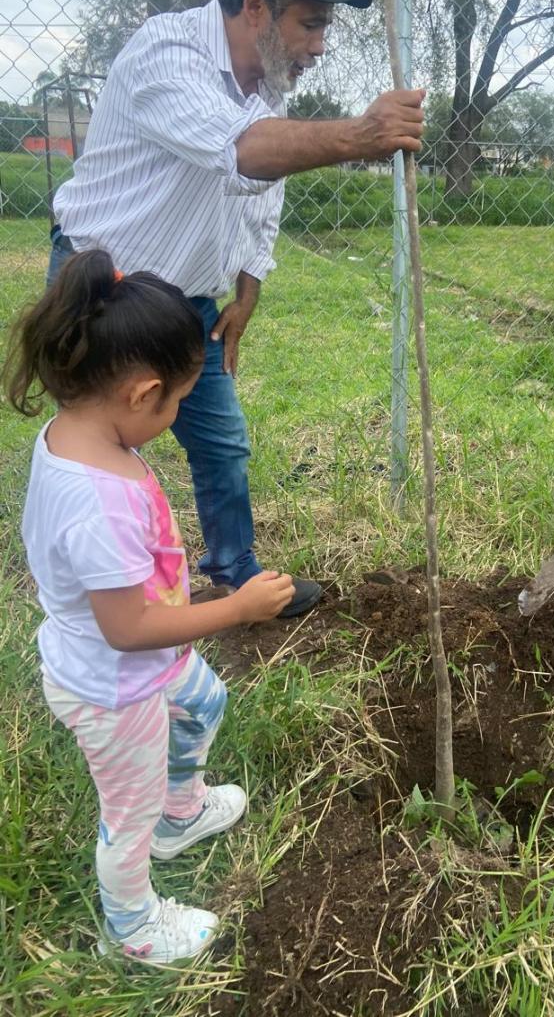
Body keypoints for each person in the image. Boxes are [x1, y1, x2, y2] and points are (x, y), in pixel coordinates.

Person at [48, 0, 424, 618]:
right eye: (310, 25)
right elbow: (244, 151)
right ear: (256, 4)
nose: (319, 46)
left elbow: (261, 192)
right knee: (101, 443)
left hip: (188, 298)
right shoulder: (166, 52)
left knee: (221, 443)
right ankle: (104, 599)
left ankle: (231, 568)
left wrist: (247, 287)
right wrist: (361, 136)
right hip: (107, 289)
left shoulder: (265, 79)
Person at [5, 249, 298, 964]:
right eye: (175, 403)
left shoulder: (80, 433)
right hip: (114, 685)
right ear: (143, 394)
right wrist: (237, 610)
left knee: (205, 703)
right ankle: (132, 928)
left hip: (149, 663)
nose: (173, 418)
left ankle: (183, 812)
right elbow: (128, 628)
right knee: (124, 817)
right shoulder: (94, 502)